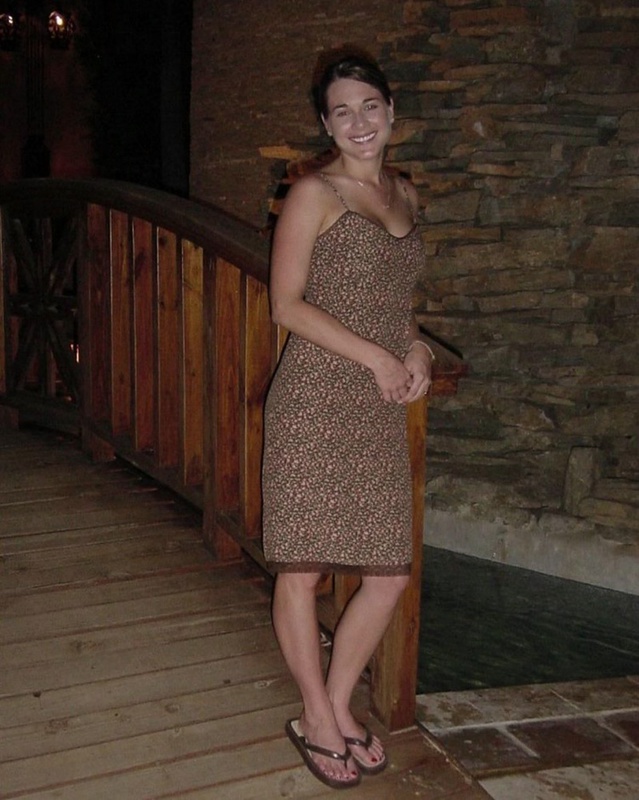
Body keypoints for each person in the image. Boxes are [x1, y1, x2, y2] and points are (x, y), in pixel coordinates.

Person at [261, 52, 434, 790]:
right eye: (341, 111)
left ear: (391, 111)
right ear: (326, 124)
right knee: (302, 569)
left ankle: (334, 704)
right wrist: (376, 356)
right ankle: (315, 716)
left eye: (369, 106)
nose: (358, 122)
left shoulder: (405, 193)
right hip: (315, 398)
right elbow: (286, 305)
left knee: (388, 574)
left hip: (378, 404)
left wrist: (417, 346)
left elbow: (398, 300)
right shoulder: (312, 193)